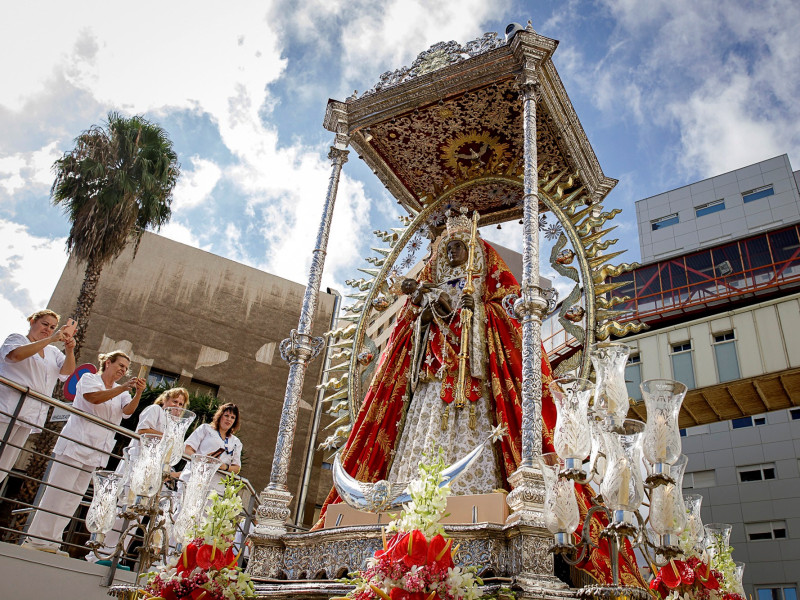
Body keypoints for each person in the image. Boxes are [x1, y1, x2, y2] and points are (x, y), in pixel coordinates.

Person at [316, 209, 641, 586]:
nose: (453, 252)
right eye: (448, 246)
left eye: (461, 245)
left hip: (475, 393)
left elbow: (505, 327)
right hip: (431, 387)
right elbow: (408, 344)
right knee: (420, 450)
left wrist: (475, 312)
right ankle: (411, 518)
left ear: (475, 251)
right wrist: (427, 313)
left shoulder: (486, 296)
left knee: (483, 456)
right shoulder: (428, 291)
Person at [23, 350, 145, 553]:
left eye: (125, 368)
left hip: (97, 449)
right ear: (108, 363)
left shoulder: (122, 392)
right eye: (120, 365)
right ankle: (36, 538)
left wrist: (138, 392)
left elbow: (127, 411)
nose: (123, 370)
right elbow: (93, 398)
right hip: (75, 443)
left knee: (74, 496)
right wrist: (123, 387)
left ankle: (53, 540)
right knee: (58, 491)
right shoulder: (89, 379)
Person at [86, 387, 190, 561]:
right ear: (164, 401)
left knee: (137, 518)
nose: (177, 407)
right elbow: (142, 431)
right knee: (122, 510)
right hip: (136, 466)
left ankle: (115, 556)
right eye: (174, 401)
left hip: (151, 475)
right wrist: (169, 438)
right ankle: (98, 555)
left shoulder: (174, 426)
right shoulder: (155, 410)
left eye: (181, 404)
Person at [0, 310, 76, 485]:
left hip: (29, 415)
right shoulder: (17, 339)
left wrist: (69, 350)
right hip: (6, 407)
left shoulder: (52, 352)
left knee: (5, 465)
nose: (48, 329)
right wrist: (50, 339)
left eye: (52, 327)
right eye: (45, 324)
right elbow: (16, 355)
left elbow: (66, 372)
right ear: (33, 321)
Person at [181, 402, 242, 488]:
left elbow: (236, 468)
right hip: (194, 477)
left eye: (232, 417)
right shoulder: (205, 429)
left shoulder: (236, 442)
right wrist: (202, 459)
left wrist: (224, 467)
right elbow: (187, 449)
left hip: (215, 487)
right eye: (226, 415)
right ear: (220, 416)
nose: (229, 419)